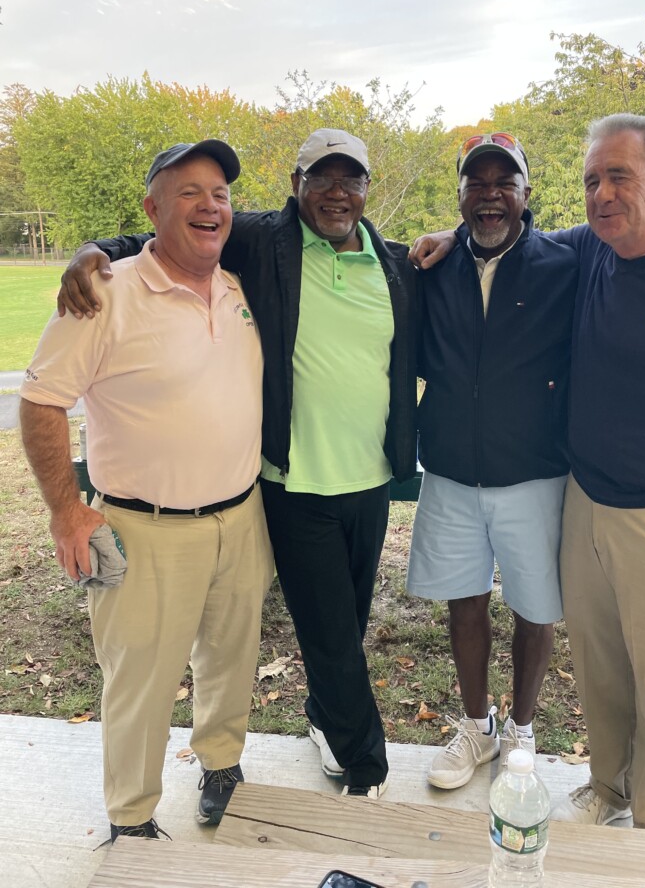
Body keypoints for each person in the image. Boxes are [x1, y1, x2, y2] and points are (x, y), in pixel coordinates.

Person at [412, 113, 645, 831]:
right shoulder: (596, 251)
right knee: (602, 671)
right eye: (592, 181)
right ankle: (608, 788)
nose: (602, 194)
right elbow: (504, 237)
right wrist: (449, 239)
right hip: (587, 501)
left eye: (619, 177)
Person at [57, 128, 419, 799]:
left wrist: (447, 243)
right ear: (296, 187)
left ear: (367, 190)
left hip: (368, 481)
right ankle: (366, 769)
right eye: (322, 178)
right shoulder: (265, 240)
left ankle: (315, 723)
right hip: (293, 483)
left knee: (345, 621)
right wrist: (93, 251)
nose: (337, 193)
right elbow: (163, 237)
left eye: (352, 180)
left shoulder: (392, 263)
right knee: (334, 638)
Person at [20, 140, 274, 840]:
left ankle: (222, 764)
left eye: (220, 193)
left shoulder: (238, 284)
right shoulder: (104, 291)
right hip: (143, 525)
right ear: (152, 208)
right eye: (188, 191)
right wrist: (66, 510)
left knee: (230, 658)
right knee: (140, 684)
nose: (210, 204)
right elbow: (42, 402)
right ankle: (130, 818)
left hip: (240, 516)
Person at [407, 132, 576, 790]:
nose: (490, 195)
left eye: (504, 182)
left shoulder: (562, 262)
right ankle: (476, 728)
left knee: (536, 610)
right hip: (450, 471)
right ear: (460, 197)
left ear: (527, 194)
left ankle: (522, 731)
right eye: (476, 183)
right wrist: (441, 239)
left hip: (535, 472)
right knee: (464, 604)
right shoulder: (430, 266)